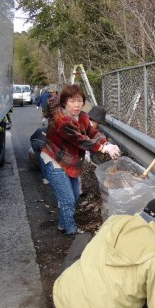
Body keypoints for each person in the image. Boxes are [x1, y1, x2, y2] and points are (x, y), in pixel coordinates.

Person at [40, 84, 121, 237]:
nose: (76, 105)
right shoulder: (61, 120)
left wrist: (106, 143)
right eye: (72, 101)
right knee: (68, 199)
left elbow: (92, 132)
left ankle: (62, 226)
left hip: (70, 161)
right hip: (54, 160)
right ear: (64, 102)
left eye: (79, 101)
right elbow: (81, 140)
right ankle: (71, 231)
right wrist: (102, 148)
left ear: (83, 103)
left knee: (75, 195)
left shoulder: (83, 116)